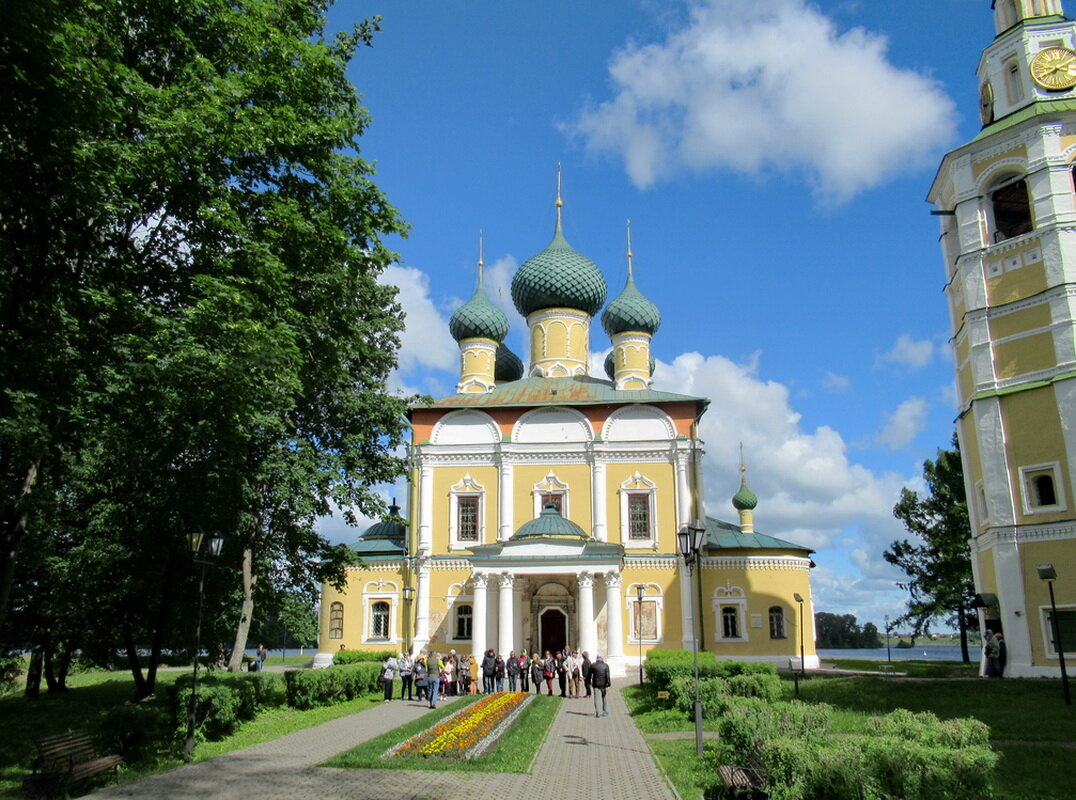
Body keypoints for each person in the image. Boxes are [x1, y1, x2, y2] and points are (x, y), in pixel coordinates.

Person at [590, 652, 611, 717]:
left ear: (596, 659)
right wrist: (608, 685)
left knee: (597, 698)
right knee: (604, 697)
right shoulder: (606, 665)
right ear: (602, 658)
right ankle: (604, 711)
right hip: (604, 685)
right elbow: (607, 676)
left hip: (595, 684)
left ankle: (598, 713)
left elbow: (589, 675)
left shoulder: (593, 665)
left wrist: (589, 682)